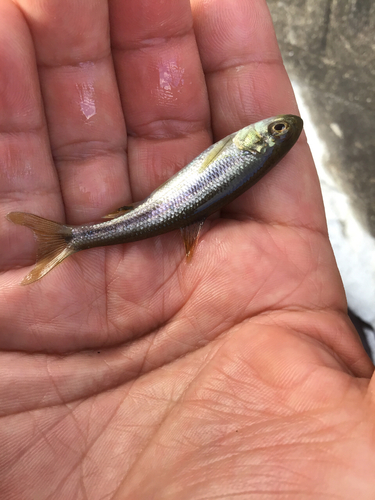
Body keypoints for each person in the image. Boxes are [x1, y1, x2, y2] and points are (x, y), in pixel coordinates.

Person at [0, 0, 374, 498]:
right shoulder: (246, 151)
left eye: (277, 132)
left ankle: (72, 239)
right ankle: (71, 239)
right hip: (170, 211)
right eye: (278, 131)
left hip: (163, 212)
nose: (277, 127)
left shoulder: (246, 147)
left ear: (257, 143)